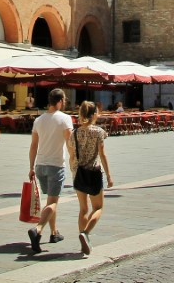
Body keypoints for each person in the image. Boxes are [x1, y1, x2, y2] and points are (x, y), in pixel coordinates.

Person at [26, 88, 75, 254]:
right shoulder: (65, 119)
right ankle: (38, 229)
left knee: (51, 201)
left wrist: (31, 167)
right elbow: (70, 143)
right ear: (60, 101)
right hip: (55, 166)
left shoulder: (39, 120)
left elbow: (33, 145)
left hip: (40, 166)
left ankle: (54, 233)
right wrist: (74, 161)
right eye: (64, 100)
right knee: (53, 202)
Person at [72, 100, 113, 256]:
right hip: (94, 172)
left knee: (83, 209)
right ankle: (86, 233)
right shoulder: (99, 132)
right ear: (94, 114)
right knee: (98, 208)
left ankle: (83, 242)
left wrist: (73, 170)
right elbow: (102, 154)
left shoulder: (75, 132)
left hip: (79, 173)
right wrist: (109, 175)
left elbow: (72, 154)